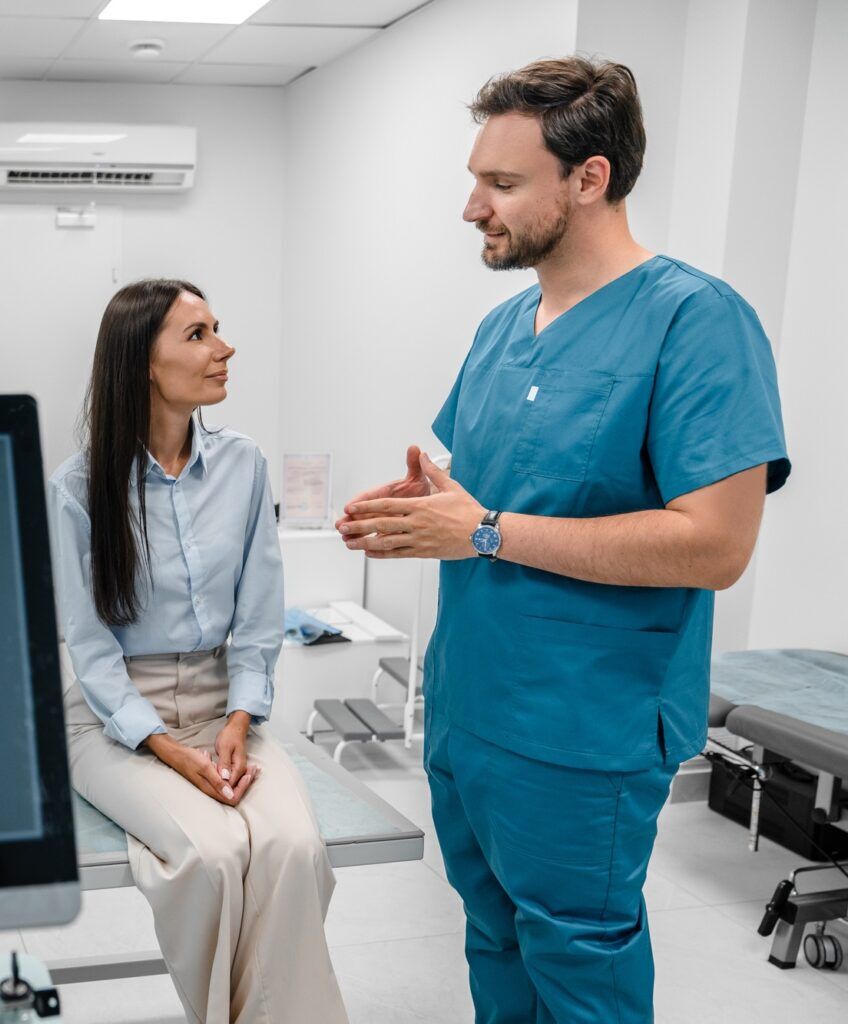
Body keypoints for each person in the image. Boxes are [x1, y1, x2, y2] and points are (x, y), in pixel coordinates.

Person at [338, 57, 789, 1023]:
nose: (472, 208)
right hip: (469, 706)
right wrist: (433, 509)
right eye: (476, 179)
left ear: (589, 179)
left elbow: (715, 546)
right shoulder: (505, 327)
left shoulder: (697, 322)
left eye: (501, 185)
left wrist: (488, 530)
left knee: (578, 966)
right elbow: (496, 501)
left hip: (583, 728)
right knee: (493, 941)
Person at [52, 279, 346, 1024]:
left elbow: (257, 616)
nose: (225, 348)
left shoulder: (243, 466)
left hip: (222, 707)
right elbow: (87, 646)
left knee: (293, 849)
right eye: (198, 335)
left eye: (218, 329)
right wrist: (163, 747)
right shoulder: (79, 487)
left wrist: (240, 720)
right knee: (211, 860)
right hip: (113, 718)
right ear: (141, 362)